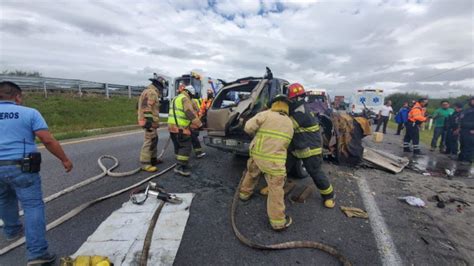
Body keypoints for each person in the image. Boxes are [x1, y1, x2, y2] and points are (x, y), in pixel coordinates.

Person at [0, 81, 73, 265]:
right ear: (17, 97)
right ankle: (37, 254)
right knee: (32, 205)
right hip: (22, 167)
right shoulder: (29, 113)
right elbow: (47, 140)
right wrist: (64, 159)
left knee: (4, 199)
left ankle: (12, 231)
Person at [239, 94, 294, 231]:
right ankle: (278, 222)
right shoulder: (290, 122)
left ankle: (244, 194)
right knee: (276, 189)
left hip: (257, 154)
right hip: (275, 161)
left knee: (251, 174)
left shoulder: (265, 114)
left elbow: (248, 127)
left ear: (273, 104)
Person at [285, 83, 335, 208]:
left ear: (295, 98)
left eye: (290, 98)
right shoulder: (297, 109)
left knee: (315, 172)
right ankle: (274, 187)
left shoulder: (301, 111)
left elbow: (288, 127)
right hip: (296, 147)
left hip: (309, 148)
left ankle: (329, 196)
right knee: (282, 169)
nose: (288, 101)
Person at [168, 85, 202, 176]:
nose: (191, 97)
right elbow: (189, 113)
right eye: (191, 95)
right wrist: (199, 124)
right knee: (186, 147)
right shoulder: (185, 99)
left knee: (178, 146)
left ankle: (182, 163)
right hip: (181, 128)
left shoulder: (176, 98)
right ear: (189, 93)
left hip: (172, 127)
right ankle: (179, 167)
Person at [138, 77, 166, 172]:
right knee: (149, 141)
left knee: (154, 139)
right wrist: (149, 122)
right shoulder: (152, 93)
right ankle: (145, 163)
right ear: (159, 86)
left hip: (149, 122)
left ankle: (153, 159)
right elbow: (146, 107)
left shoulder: (147, 91)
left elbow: (138, 106)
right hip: (148, 122)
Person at [458, 97, 474, 164]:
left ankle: (468, 160)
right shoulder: (467, 109)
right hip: (464, 129)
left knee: (469, 145)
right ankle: (461, 157)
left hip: (471, 130)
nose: (472, 102)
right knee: (463, 144)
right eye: (471, 100)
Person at [191, 93, 206, 158]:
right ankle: (198, 153)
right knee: (194, 139)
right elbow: (198, 110)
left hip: (184, 124)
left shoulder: (181, 100)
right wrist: (200, 124)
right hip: (193, 122)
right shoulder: (193, 101)